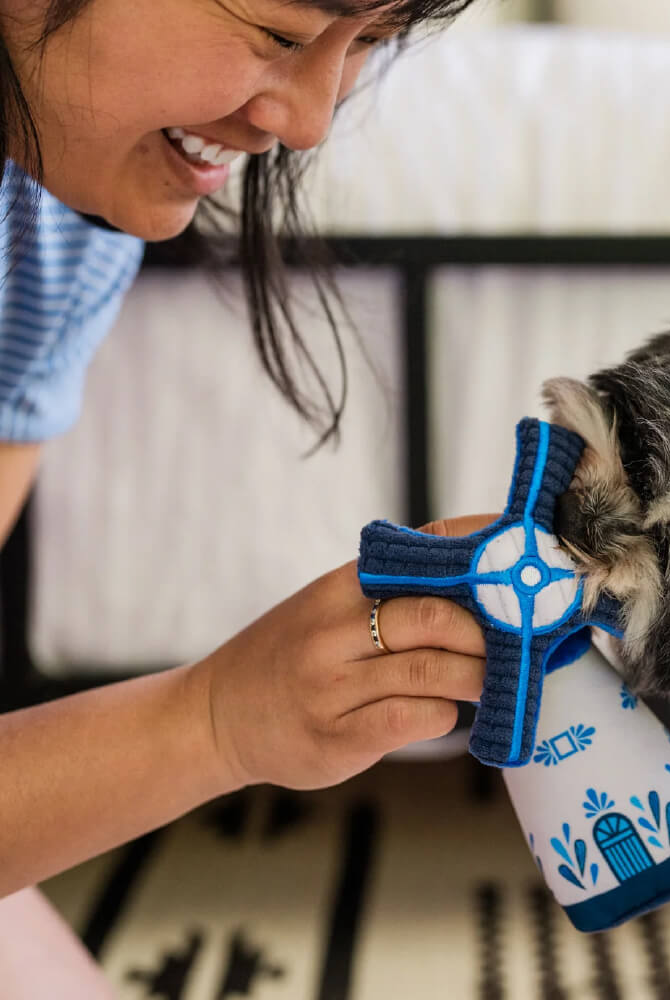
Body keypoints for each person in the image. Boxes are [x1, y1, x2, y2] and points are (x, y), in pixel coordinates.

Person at [0, 1, 490, 995]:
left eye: (371, 45)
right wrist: (216, 721)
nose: (311, 120)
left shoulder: (60, 229)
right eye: (279, 34)